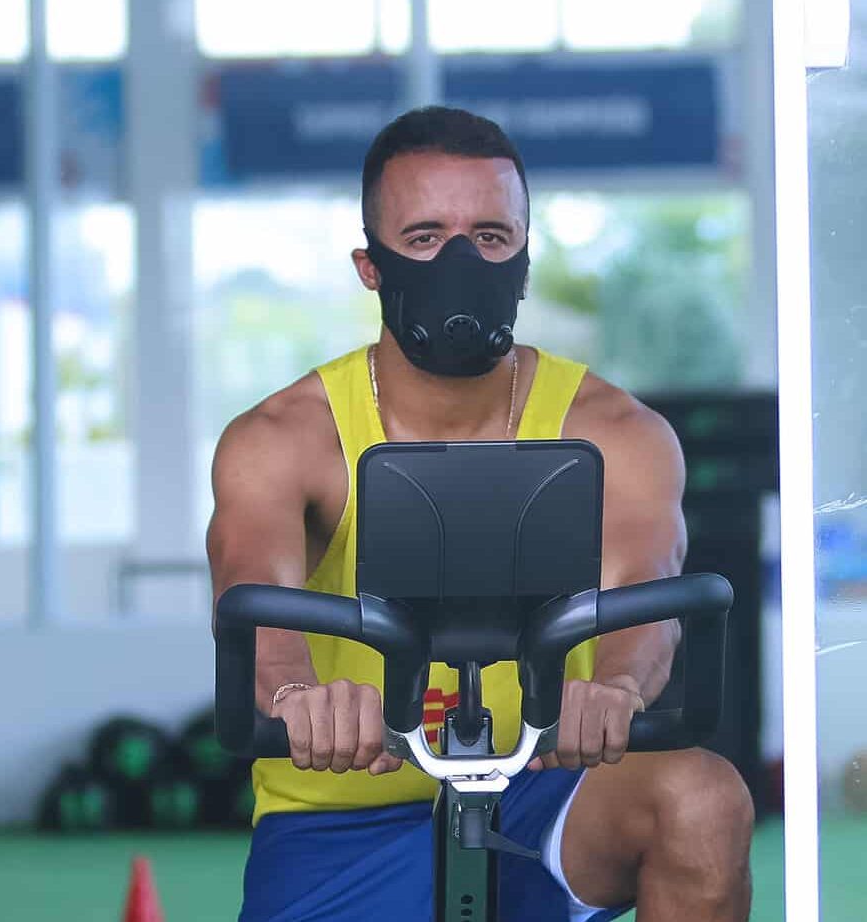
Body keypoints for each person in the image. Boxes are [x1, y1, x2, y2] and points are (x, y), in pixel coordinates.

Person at [207, 106, 754, 922]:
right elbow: (253, 597)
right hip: (340, 829)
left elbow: (646, 585)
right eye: (425, 238)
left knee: (702, 799)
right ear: (370, 265)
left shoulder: (614, 433)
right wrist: (297, 698)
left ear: (526, 256)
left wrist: (617, 687)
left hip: (542, 804)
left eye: (492, 237)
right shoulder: (285, 438)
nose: (462, 260)